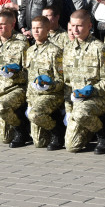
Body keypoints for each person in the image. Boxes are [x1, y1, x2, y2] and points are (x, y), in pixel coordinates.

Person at [62, 10, 105, 154]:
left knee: (80, 114)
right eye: (73, 26)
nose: (75, 30)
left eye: (80, 26)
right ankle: (88, 128)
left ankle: (103, 134)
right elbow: (67, 83)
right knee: (71, 147)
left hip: (97, 99)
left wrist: (91, 90)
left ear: (90, 26)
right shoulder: (68, 49)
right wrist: (68, 110)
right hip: (76, 102)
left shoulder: (99, 48)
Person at [0, 11, 29, 147]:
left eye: (3, 25)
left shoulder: (22, 44)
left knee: (2, 107)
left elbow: (28, 73)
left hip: (16, 89)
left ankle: (21, 130)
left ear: (12, 25)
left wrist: (15, 75)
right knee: (4, 138)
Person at [25, 16, 64, 150]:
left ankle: (57, 131)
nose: (35, 31)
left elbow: (61, 80)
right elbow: (29, 79)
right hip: (34, 96)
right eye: (33, 28)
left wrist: (49, 86)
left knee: (35, 115)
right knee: (39, 143)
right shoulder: (29, 51)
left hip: (51, 95)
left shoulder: (55, 51)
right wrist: (29, 102)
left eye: (39, 28)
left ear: (47, 29)